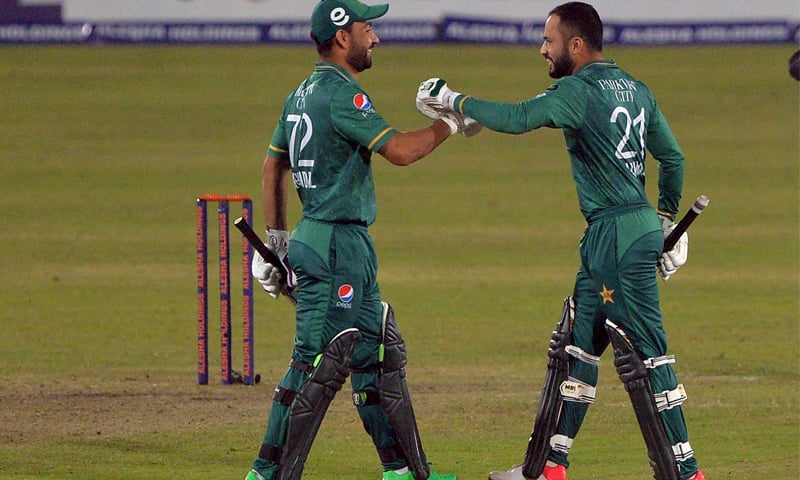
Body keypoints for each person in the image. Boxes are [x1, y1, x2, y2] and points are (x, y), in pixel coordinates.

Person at [416, 2, 704, 480]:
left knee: (649, 357)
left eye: (548, 41)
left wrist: (454, 99)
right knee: (576, 348)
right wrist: (665, 221)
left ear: (575, 44)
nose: (541, 49)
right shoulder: (635, 88)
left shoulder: (577, 91)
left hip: (616, 238)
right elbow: (672, 158)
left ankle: (687, 472)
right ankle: (547, 468)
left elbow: (520, 117)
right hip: (617, 236)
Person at [244, 1, 478, 479]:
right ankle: (266, 474)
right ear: (342, 36)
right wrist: (448, 122)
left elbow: (273, 166)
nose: (376, 38)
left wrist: (279, 241)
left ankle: (405, 472)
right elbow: (401, 151)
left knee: (378, 353)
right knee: (314, 364)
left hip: (327, 242)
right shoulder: (342, 96)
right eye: (368, 28)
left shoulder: (301, 94)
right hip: (336, 248)